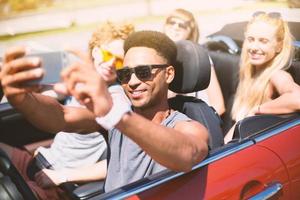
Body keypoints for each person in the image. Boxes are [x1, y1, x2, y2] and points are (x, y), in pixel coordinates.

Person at [1, 30, 209, 193]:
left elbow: (187, 153)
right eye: (125, 74)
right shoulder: (118, 118)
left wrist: (116, 114)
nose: (133, 82)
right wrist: (21, 98)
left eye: (144, 72)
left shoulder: (188, 124)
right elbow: (62, 116)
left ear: (169, 74)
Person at [0, 21, 134, 199]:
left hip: (56, 183)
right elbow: (53, 96)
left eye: (118, 60)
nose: (110, 63)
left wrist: (61, 177)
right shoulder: (80, 80)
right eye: (107, 53)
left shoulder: (115, 98)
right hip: (38, 159)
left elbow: (117, 162)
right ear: (95, 51)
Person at [224, 11, 300, 143]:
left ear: (279, 46)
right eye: (251, 39)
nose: (254, 47)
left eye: (263, 41)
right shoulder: (248, 74)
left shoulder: (277, 75)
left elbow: (298, 98)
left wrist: (258, 110)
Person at [163, 8, 225, 116]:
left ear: (191, 32)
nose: (175, 27)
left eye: (182, 25)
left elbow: (219, 105)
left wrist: (204, 123)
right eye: (172, 22)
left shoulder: (198, 58)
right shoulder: (156, 57)